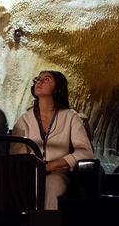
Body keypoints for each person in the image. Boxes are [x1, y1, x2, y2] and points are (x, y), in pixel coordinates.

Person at [10, 70, 93, 210]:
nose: (39, 82)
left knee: (51, 185)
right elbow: (16, 157)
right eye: (38, 79)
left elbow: (86, 152)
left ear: (58, 88)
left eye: (46, 79)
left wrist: (53, 165)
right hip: (30, 175)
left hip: (58, 174)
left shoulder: (70, 116)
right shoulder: (24, 119)